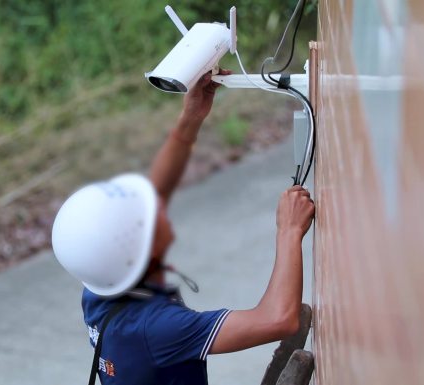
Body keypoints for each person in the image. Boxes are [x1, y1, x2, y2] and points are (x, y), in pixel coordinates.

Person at [51, 70, 315, 384]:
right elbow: (278, 320)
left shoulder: (99, 282)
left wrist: (191, 118)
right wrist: (289, 230)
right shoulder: (157, 328)